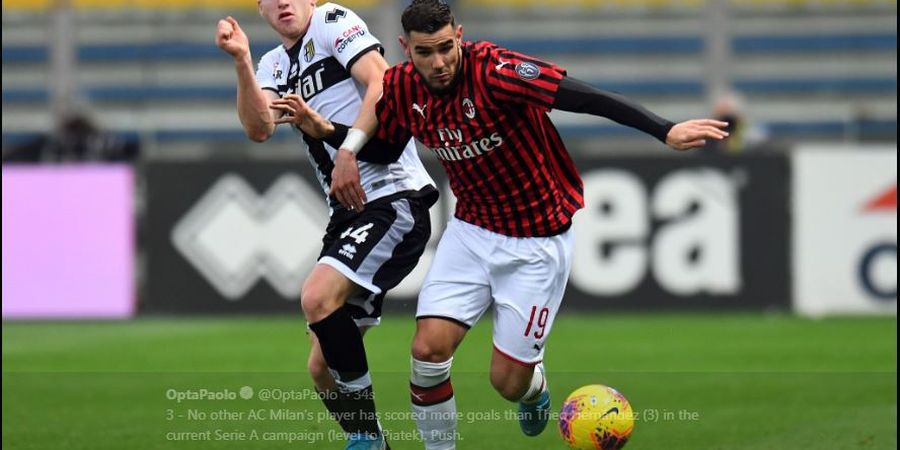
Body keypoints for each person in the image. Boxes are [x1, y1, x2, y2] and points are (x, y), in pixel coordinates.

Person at [288, 1, 729, 448]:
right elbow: (382, 150)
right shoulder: (403, 88)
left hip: (537, 243)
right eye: (425, 53)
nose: (438, 63)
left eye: (446, 48)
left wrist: (664, 130)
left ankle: (533, 386)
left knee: (507, 382)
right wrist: (329, 135)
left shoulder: (498, 71)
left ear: (459, 35)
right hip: (471, 231)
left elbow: (585, 97)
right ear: (406, 49)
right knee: (427, 353)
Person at [215, 2, 438, 449]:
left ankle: (364, 438)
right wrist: (241, 60)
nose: (282, 3)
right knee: (321, 370)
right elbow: (259, 128)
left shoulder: (333, 21)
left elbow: (382, 82)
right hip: (348, 211)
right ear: (259, 8)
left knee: (316, 296)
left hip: (392, 194)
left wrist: (349, 150)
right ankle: (372, 439)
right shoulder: (274, 63)